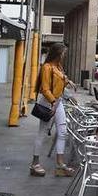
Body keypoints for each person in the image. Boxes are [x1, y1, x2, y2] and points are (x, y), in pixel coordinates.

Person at [30, 42, 76, 177]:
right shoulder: (47, 67)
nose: (64, 56)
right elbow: (45, 88)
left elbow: (60, 80)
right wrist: (53, 102)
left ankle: (60, 164)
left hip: (58, 101)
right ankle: (35, 163)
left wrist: (68, 82)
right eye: (63, 53)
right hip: (48, 102)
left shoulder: (58, 67)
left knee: (63, 131)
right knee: (42, 132)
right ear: (58, 53)